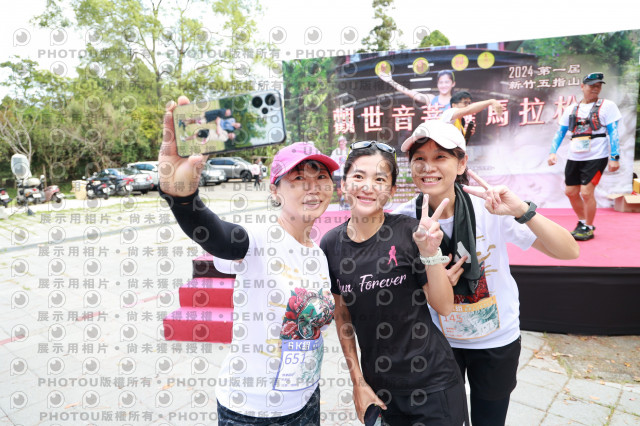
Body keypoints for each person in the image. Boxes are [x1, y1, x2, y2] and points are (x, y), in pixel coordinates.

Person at [159, 96, 340, 425]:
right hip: (251, 411)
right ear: (275, 191)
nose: (313, 187)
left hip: (306, 402)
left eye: (321, 178)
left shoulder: (318, 253)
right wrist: (182, 198)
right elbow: (217, 235)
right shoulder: (258, 238)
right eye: (299, 179)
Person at [393, 120, 579, 426]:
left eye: (440, 157)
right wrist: (433, 283)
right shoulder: (401, 221)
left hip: (495, 340)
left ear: (461, 163)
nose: (428, 167)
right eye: (419, 159)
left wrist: (521, 210)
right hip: (437, 343)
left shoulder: (490, 208)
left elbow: (568, 251)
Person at [321, 140, 469, 425]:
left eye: (379, 179)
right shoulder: (331, 244)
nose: (368, 187)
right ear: (344, 184)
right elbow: (343, 316)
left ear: (391, 191)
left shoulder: (409, 232)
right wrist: (357, 382)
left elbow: (444, 306)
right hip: (380, 391)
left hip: (433, 384)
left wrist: (430, 253)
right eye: (359, 176)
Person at [548, 72, 621, 241]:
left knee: (587, 192)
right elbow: (560, 132)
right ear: (582, 87)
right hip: (575, 156)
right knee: (571, 192)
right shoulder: (571, 109)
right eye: (592, 86)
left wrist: (614, 157)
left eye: (598, 86)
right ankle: (582, 222)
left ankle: (588, 226)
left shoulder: (607, 106)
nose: (596, 88)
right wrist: (552, 152)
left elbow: (613, 132)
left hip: (597, 156)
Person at [379, 69, 456, 112]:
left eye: (447, 82)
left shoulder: (457, 102)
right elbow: (408, 92)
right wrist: (390, 81)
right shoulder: (431, 99)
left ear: (453, 84)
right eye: (441, 82)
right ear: (437, 84)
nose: (443, 85)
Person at [440, 91, 505, 142]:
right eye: (465, 103)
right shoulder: (448, 113)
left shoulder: (460, 123)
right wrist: (491, 101)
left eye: (469, 103)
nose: (468, 105)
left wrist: (467, 134)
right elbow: (468, 109)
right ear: (454, 105)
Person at [330, 135, 349, 207]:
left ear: (346, 142)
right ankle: (341, 198)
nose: (342, 143)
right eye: (340, 141)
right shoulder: (335, 152)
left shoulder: (349, 151)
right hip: (338, 173)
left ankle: (346, 203)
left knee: (347, 189)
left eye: (343, 141)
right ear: (338, 143)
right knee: (339, 191)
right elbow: (331, 161)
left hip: (347, 173)